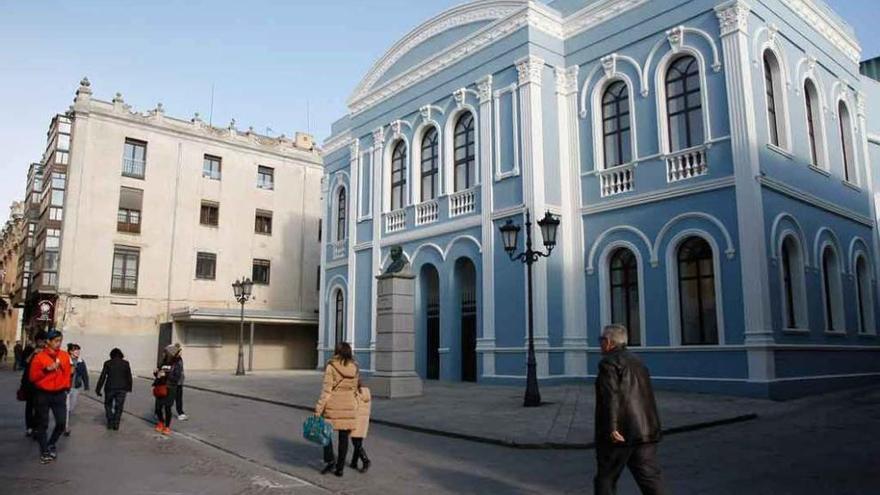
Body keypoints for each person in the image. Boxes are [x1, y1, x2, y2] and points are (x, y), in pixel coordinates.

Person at [594, 324, 666, 495]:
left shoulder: (608, 363)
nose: (600, 344)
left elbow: (610, 398)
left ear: (609, 341)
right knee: (649, 478)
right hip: (645, 431)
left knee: (606, 478)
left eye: (601, 340)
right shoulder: (637, 360)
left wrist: (612, 428)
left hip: (621, 433)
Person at [314, 342, 359, 477]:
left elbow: (326, 391)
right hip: (349, 404)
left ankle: (330, 461)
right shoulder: (355, 367)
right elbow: (354, 389)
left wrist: (318, 409)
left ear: (337, 351)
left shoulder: (331, 366)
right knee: (344, 437)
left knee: (326, 433)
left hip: (333, 404)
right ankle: (340, 468)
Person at [29, 329, 71, 464]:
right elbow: (33, 377)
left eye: (60, 341)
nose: (59, 344)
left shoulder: (64, 356)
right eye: (56, 341)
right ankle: (44, 451)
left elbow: (67, 373)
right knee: (43, 423)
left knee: (61, 422)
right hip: (43, 394)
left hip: (59, 394)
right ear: (48, 342)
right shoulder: (39, 357)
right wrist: (46, 370)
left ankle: (51, 443)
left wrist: (66, 386)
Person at [95, 348, 133, 430]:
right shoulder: (125, 363)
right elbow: (129, 376)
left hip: (110, 388)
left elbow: (103, 376)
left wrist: (98, 389)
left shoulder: (108, 363)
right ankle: (116, 424)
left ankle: (110, 421)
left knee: (108, 405)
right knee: (119, 406)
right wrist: (129, 387)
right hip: (122, 388)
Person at [20, 332, 46, 438]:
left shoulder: (47, 352)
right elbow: (24, 363)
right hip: (30, 384)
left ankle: (36, 428)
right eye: (40, 341)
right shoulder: (29, 350)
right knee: (29, 406)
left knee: (40, 408)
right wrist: (33, 353)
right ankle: (29, 427)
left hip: (42, 384)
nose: (42, 343)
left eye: (44, 341)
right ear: (37, 341)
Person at [153, 345, 180, 435]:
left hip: (170, 387)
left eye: (165, 352)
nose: (163, 354)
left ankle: (167, 427)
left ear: (170, 353)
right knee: (158, 408)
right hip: (160, 386)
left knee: (168, 407)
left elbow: (177, 376)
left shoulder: (176, 363)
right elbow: (158, 374)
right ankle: (161, 421)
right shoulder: (162, 363)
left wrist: (166, 375)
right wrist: (156, 373)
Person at [64, 344, 88, 436]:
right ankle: (66, 427)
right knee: (66, 407)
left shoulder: (81, 362)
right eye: (76, 350)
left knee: (71, 407)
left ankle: (65, 419)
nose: (78, 352)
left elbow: (84, 373)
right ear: (70, 351)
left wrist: (86, 385)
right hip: (66, 387)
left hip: (76, 387)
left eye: (78, 350)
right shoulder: (66, 360)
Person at [349, 377, 372, 473]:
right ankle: (353, 462)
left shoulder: (355, 394)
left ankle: (365, 460)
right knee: (358, 441)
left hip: (356, 420)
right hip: (364, 421)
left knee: (356, 442)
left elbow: (353, 408)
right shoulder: (366, 392)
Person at [170, 343, 187, 421]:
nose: (181, 352)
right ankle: (159, 411)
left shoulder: (180, 359)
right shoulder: (173, 360)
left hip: (179, 382)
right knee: (170, 398)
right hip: (173, 382)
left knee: (179, 398)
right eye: (180, 350)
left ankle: (180, 413)